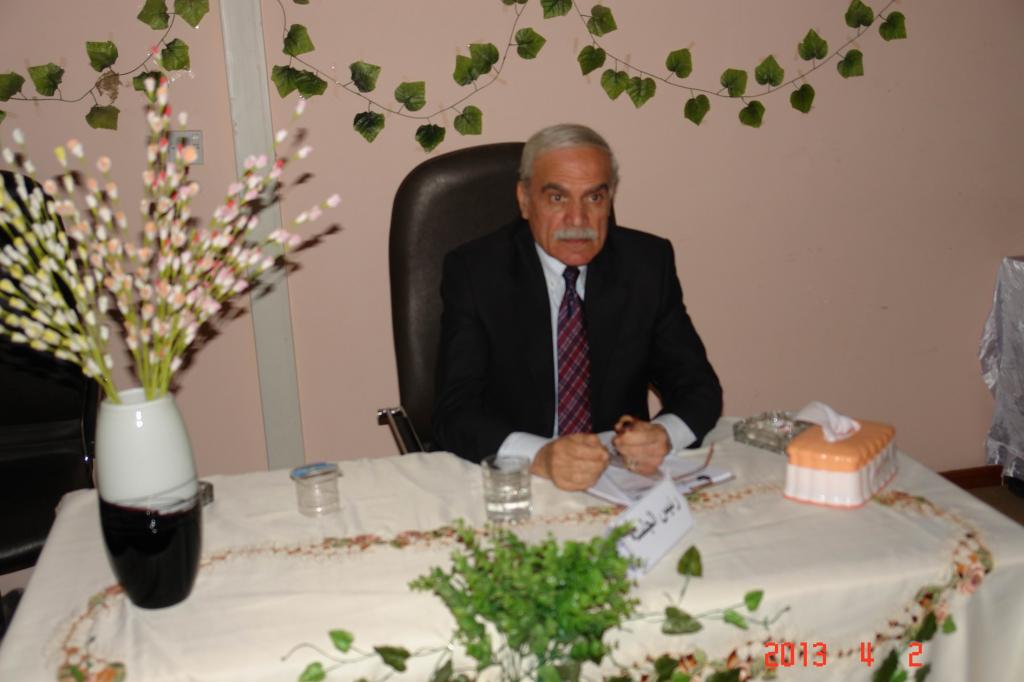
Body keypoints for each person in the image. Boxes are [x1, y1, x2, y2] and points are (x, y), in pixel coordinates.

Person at [432, 123, 722, 491]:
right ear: (524, 200)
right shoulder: (476, 272)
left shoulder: (647, 265)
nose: (578, 219)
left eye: (594, 198)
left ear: (610, 198)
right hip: (515, 480)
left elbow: (698, 388)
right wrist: (540, 456)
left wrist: (663, 435)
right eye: (557, 198)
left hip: (619, 479)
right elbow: (454, 412)